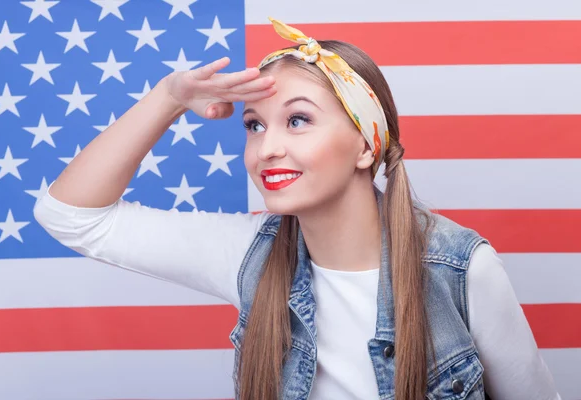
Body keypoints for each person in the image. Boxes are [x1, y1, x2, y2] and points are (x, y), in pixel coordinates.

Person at [33, 17, 560, 400]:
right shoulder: (247, 255)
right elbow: (71, 215)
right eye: (255, 125)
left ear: (366, 146)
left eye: (298, 120)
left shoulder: (461, 269)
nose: (267, 149)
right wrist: (168, 97)